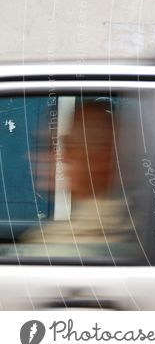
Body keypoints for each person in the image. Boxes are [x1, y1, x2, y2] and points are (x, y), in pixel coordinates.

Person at [20, 99, 133, 258]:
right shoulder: (126, 221)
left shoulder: (54, 248)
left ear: (102, 160)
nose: (50, 156)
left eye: (68, 146)